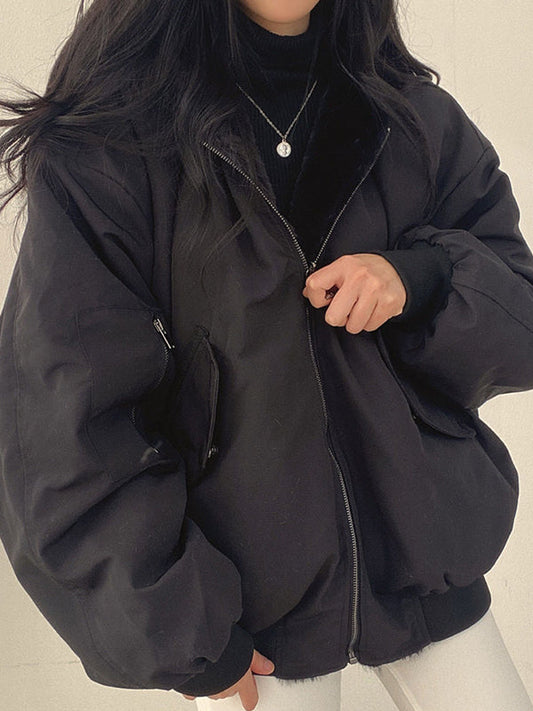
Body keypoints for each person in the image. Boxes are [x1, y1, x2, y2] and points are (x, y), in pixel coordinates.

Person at [0, 1, 532, 710]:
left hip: (427, 572)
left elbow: (520, 311)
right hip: (244, 612)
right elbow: (61, 422)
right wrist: (184, 633)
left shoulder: (411, 118)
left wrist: (421, 277)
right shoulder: (112, 148)